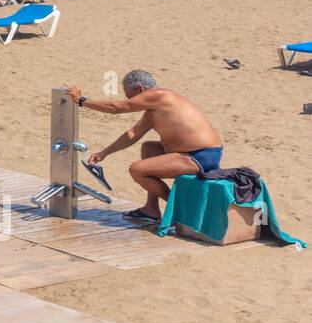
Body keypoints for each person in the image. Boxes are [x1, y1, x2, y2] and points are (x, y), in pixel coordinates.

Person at [67, 71, 224, 222]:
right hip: (191, 153)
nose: (129, 100)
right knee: (149, 148)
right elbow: (133, 134)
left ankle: (179, 206)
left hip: (201, 156)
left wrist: (82, 100)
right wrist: (104, 153)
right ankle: (151, 208)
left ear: (140, 89)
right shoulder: (153, 109)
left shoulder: (159, 95)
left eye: (130, 96)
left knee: (137, 170)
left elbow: (117, 108)